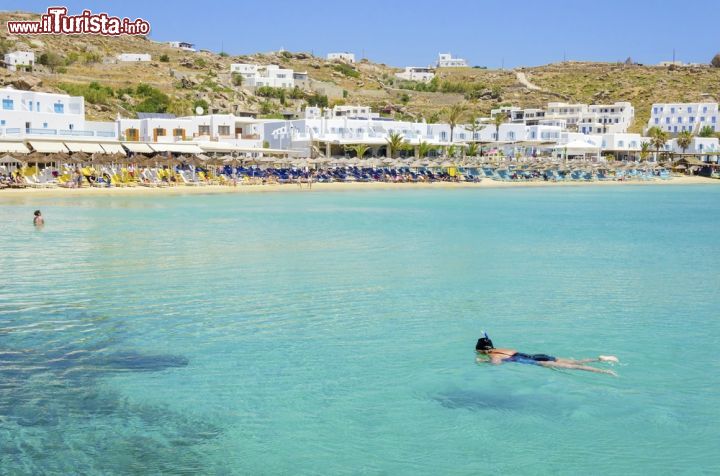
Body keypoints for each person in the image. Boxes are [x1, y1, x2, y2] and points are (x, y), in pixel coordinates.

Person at [475, 332, 618, 376]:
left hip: (535, 362)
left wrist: (483, 362)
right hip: (536, 355)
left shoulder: (493, 355)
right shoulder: (502, 348)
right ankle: (599, 359)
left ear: (480, 350)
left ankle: (604, 371)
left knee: (573, 368)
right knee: (574, 362)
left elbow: (497, 364)